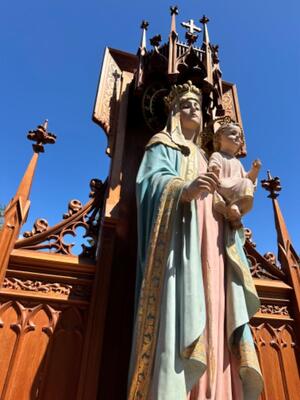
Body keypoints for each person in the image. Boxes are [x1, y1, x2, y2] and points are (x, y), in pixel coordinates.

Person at [128, 81, 263, 400]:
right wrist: (183, 190)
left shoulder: (209, 157)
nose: (193, 110)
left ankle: (218, 392)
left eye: (197, 105)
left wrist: (232, 213)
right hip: (181, 248)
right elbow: (149, 183)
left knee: (218, 315)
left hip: (215, 248)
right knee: (185, 314)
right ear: (174, 112)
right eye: (186, 104)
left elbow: (226, 193)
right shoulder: (162, 144)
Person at [208, 122, 262, 229]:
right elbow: (213, 165)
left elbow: (248, 180)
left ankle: (235, 210)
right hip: (223, 185)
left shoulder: (237, 162)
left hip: (236, 187)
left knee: (247, 187)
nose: (237, 137)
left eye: (240, 136)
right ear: (219, 138)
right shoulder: (217, 155)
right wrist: (214, 169)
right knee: (245, 183)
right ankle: (234, 210)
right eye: (233, 133)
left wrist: (255, 170)